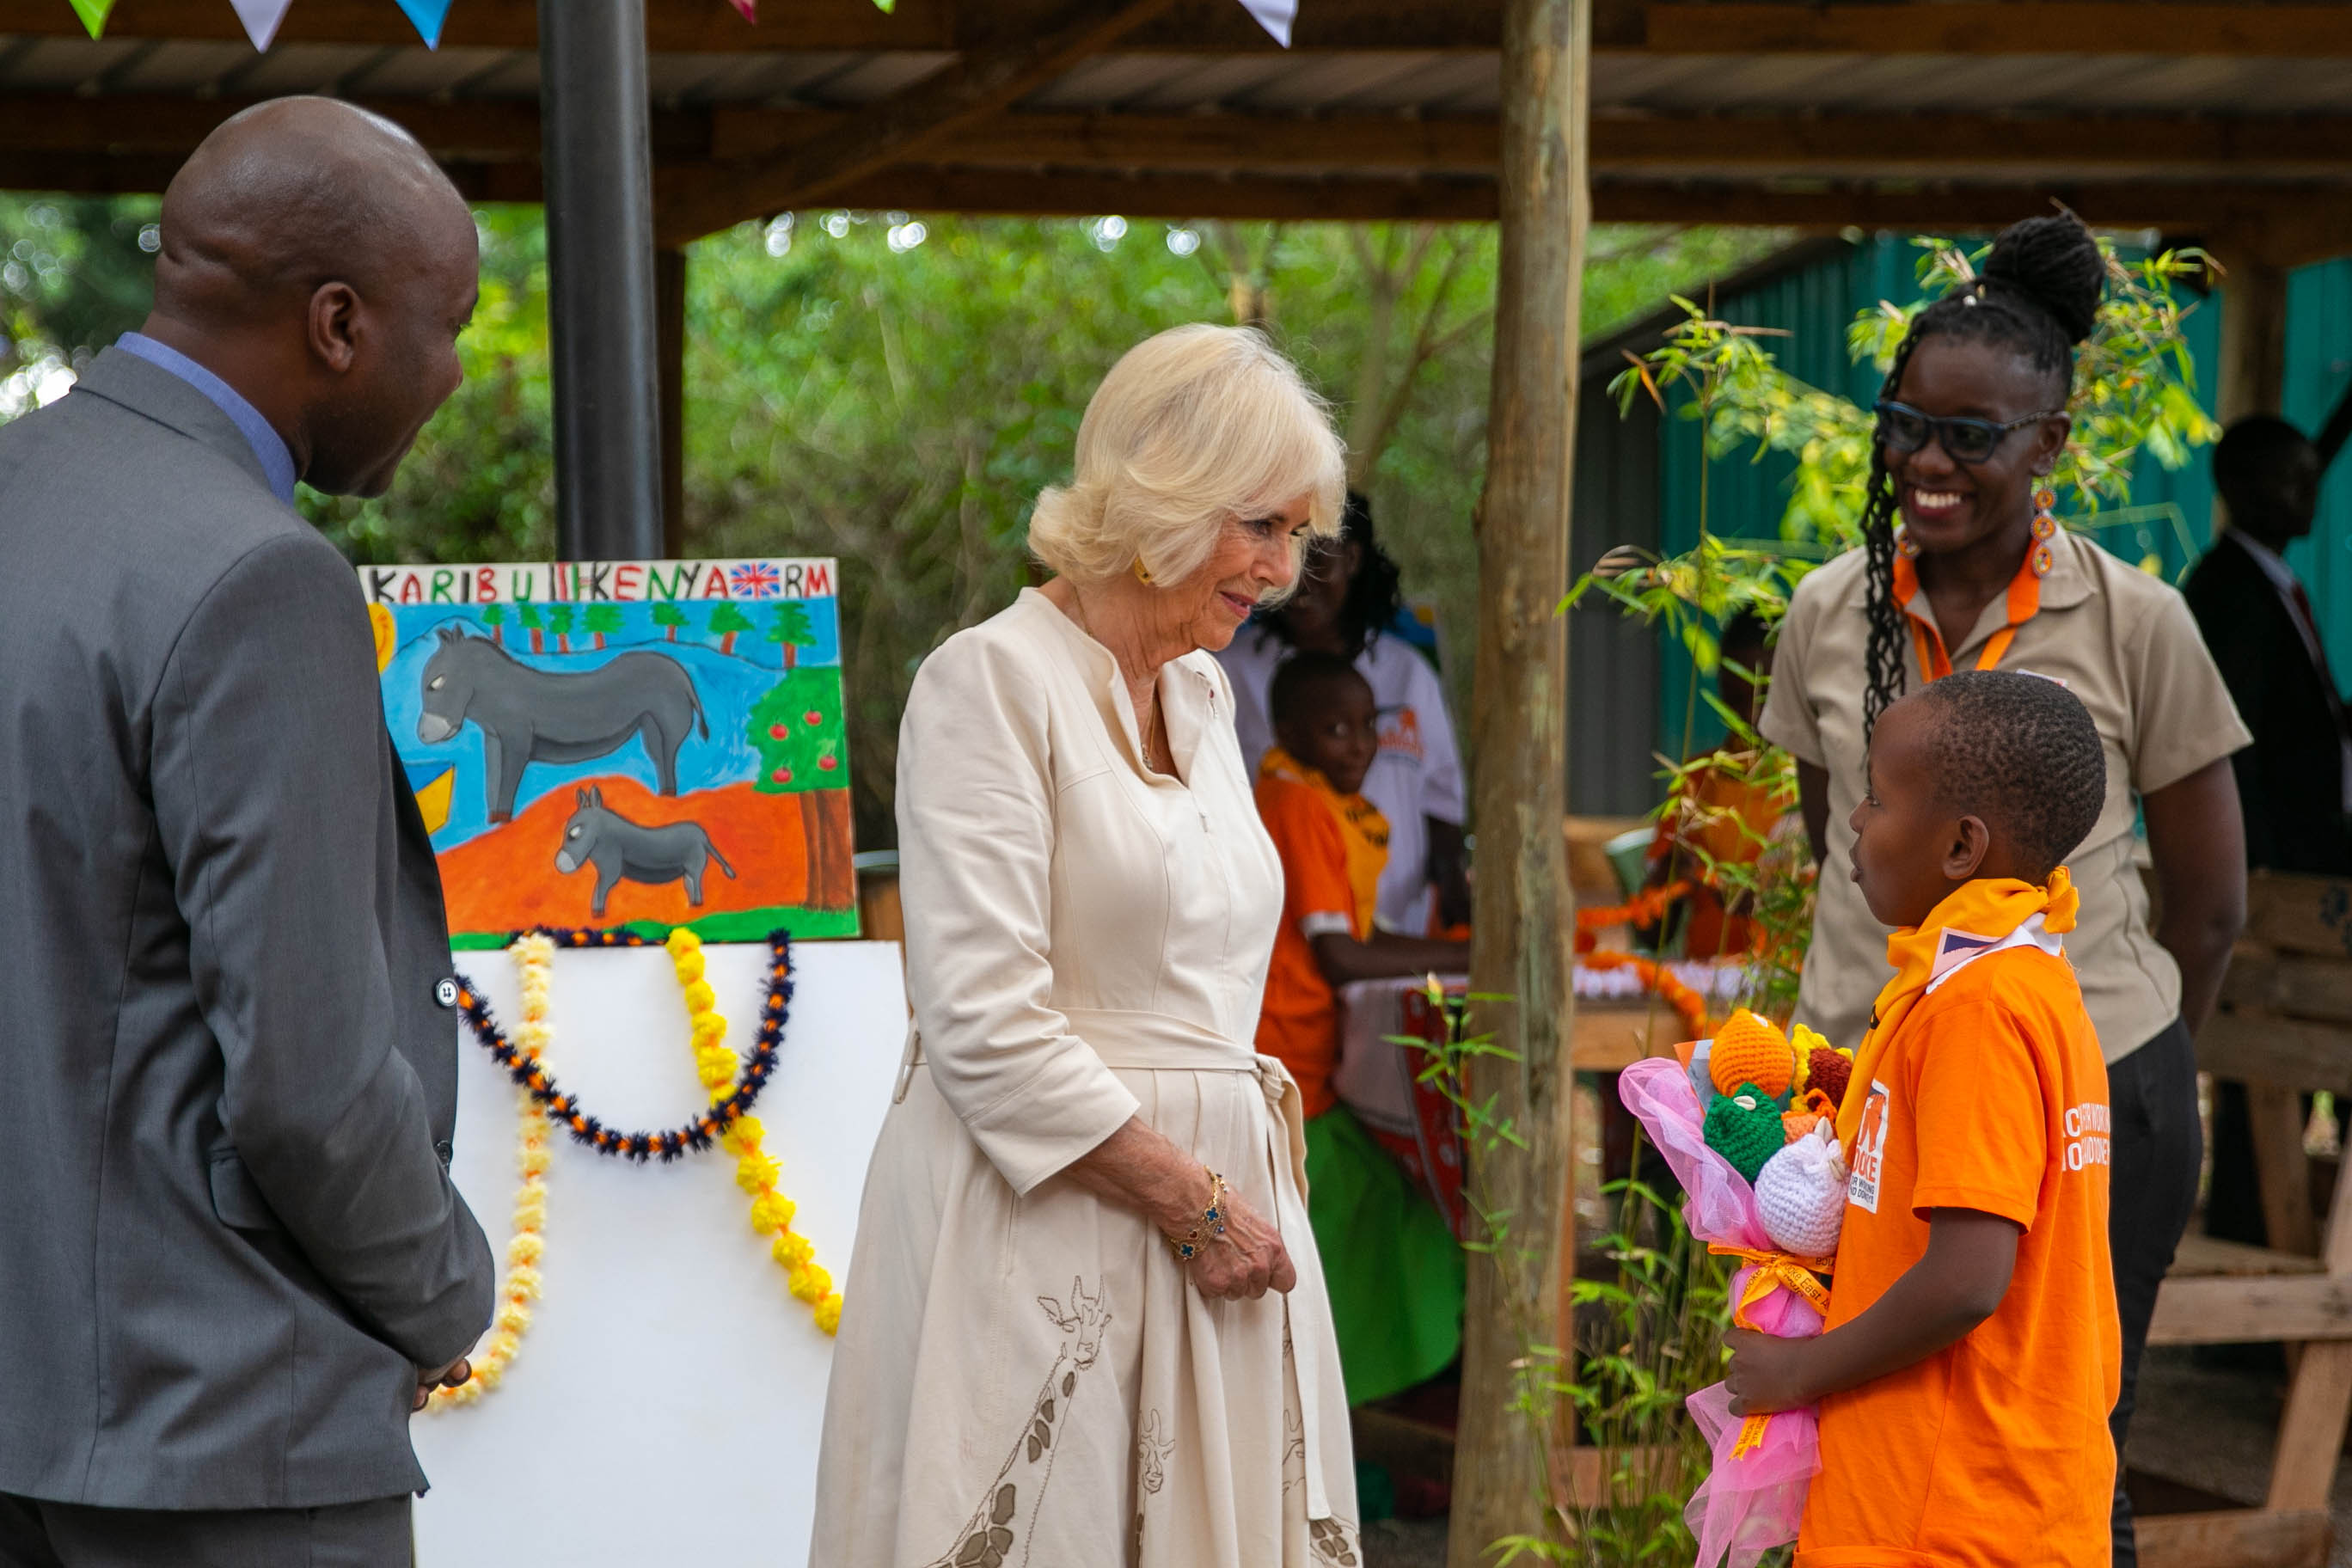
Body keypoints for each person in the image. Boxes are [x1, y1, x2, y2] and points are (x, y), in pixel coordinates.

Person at [0, 100, 495, 1565]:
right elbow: (310, 1082)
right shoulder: (257, 577)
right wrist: (444, 1292)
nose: (453, 371)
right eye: (448, 322)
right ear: (338, 323)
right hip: (220, 1420)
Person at [812, 324, 1361, 1566]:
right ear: (1165, 495)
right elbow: (982, 1022)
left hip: (1217, 1228)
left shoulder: (1208, 694)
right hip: (1046, 1214)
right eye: (1261, 527)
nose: (1283, 571)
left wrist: (1228, 1201)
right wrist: (1191, 1199)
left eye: (1295, 535)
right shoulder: (988, 682)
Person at [1756, 213, 2249, 1566]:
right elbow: (1839, 849)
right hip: (1877, 1087)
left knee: (2064, 1440)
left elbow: (2210, 901)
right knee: (1877, 1429)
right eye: (1906, 424)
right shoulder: (1825, 613)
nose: (1927, 461)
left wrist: (2113, 1071)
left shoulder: (2140, 621)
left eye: (1972, 437)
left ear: (2052, 444)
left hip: (2090, 1093)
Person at [1725, 670, 2120, 1566]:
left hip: (1945, 1512)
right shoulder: (2028, 984)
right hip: (1997, 1496)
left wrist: (1798, 1374)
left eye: (1876, 795)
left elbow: (1967, 1279)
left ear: (1960, 849)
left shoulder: (1976, 1009)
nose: (1856, 820)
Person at [1252, 652, 1469, 1409]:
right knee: (1402, 1205)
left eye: (1367, 728)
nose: (1356, 745)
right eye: (1334, 729)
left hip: (1300, 1055)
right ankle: (1369, 1398)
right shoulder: (1299, 805)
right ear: (1286, 731)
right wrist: (1480, 948)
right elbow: (1341, 952)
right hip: (1291, 1064)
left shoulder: (1304, 800)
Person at [2186, 415, 2352, 1251]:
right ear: (2244, 489)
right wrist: (2251, 877)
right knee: (2265, 1076)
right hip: (2278, 875)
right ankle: (2260, 1260)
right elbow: (2233, 747)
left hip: (2314, 861)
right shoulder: (2224, 591)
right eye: (2290, 478)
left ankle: (2295, 1249)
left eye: (2310, 473)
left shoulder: (2274, 579)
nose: (2308, 490)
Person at [1217, 491, 1470, 934]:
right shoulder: (1229, 669)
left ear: (1351, 559)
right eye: (1282, 555)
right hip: (1282, 928)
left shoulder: (1405, 671)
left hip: (1400, 934)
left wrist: (1453, 891)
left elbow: (1441, 798)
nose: (1296, 578)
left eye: (1315, 558)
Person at [1644, 607, 1788, 959]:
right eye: (1737, 699)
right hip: (1704, 981)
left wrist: (1758, 897)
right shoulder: (1697, 779)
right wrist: (1669, 875)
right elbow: (1652, 936)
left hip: (1787, 987)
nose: (1750, 717)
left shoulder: (1812, 782)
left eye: (1764, 697)